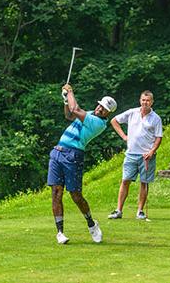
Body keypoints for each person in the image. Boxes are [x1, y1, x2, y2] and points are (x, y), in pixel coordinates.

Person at [48, 83, 117, 244]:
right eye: (100, 106)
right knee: (56, 193)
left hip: (73, 156)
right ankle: (60, 233)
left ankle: (91, 224)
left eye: (104, 109)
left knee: (75, 195)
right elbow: (69, 115)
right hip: (57, 152)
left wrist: (70, 92)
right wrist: (66, 100)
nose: (100, 109)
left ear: (108, 113)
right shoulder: (90, 113)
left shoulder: (98, 123)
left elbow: (75, 110)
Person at [107, 90, 163, 220]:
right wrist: (124, 136)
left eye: (148, 100)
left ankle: (140, 211)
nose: (145, 103)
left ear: (152, 102)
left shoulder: (156, 118)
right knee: (125, 181)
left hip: (146, 156)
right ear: (140, 100)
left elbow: (158, 137)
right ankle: (118, 210)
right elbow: (114, 121)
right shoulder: (132, 112)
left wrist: (152, 151)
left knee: (144, 183)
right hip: (131, 154)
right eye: (143, 100)